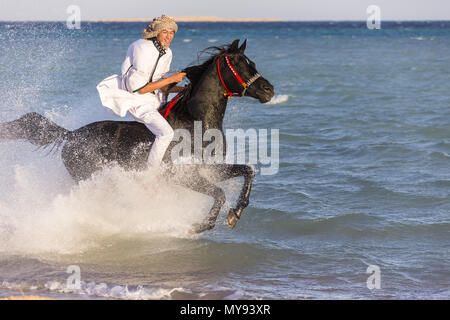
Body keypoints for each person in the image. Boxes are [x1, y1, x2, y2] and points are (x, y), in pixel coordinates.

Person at [96, 15, 186, 172]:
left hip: (156, 100)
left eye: (172, 32)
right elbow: (139, 88)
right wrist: (172, 79)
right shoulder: (142, 47)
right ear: (157, 32)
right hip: (137, 101)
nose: (169, 36)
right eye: (165, 32)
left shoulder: (168, 52)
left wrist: (184, 89)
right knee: (166, 134)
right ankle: (150, 176)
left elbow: (163, 87)